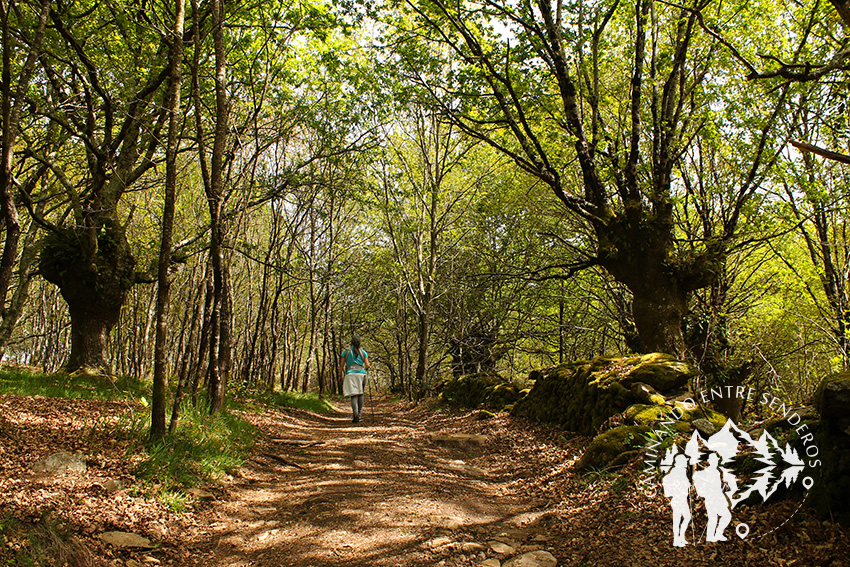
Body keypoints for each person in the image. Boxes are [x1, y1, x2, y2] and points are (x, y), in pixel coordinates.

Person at [693, 453, 732, 542]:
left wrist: (723, 488)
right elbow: (700, 486)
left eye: (716, 461)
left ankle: (718, 534)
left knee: (726, 516)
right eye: (713, 460)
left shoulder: (717, 472)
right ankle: (710, 537)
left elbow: (717, 486)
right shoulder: (704, 473)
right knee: (713, 518)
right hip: (710, 498)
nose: (714, 462)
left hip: (718, 498)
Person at [663, 452, 692, 547]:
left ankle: (681, 537)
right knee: (677, 520)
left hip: (682, 499)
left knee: (687, 517)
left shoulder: (682, 471)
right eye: (684, 462)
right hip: (677, 499)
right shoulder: (675, 472)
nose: (685, 464)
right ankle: (676, 540)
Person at [339, 335, 370, 423]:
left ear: (351, 343)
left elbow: (341, 365)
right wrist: (367, 367)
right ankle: (360, 414)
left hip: (350, 374)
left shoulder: (346, 352)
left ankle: (355, 414)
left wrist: (339, 375)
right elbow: (367, 365)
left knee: (353, 394)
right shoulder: (363, 352)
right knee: (360, 394)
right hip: (361, 374)